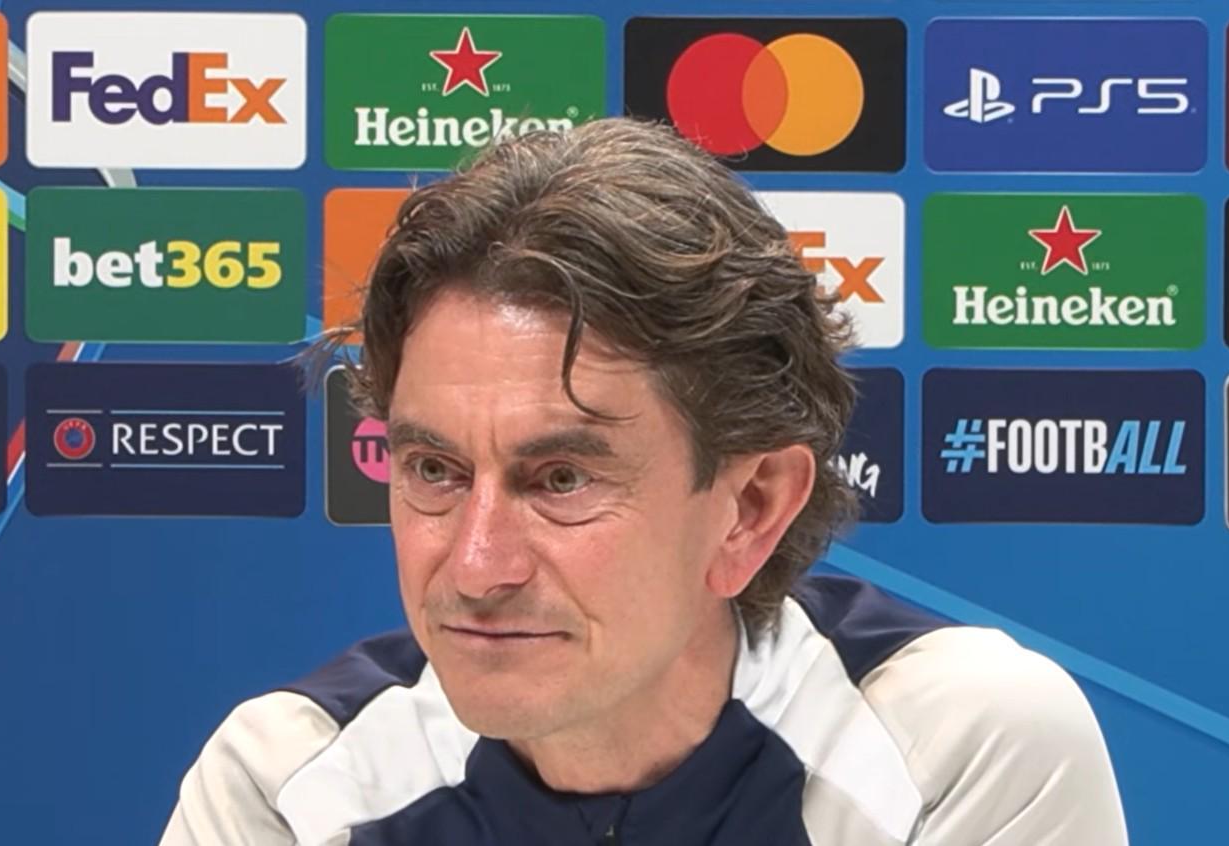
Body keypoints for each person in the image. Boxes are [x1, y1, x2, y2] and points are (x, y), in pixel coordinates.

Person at [159, 117, 1129, 845]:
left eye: (561, 478)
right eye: (434, 470)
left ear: (749, 510)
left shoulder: (956, 745)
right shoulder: (287, 787)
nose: (476, 565)